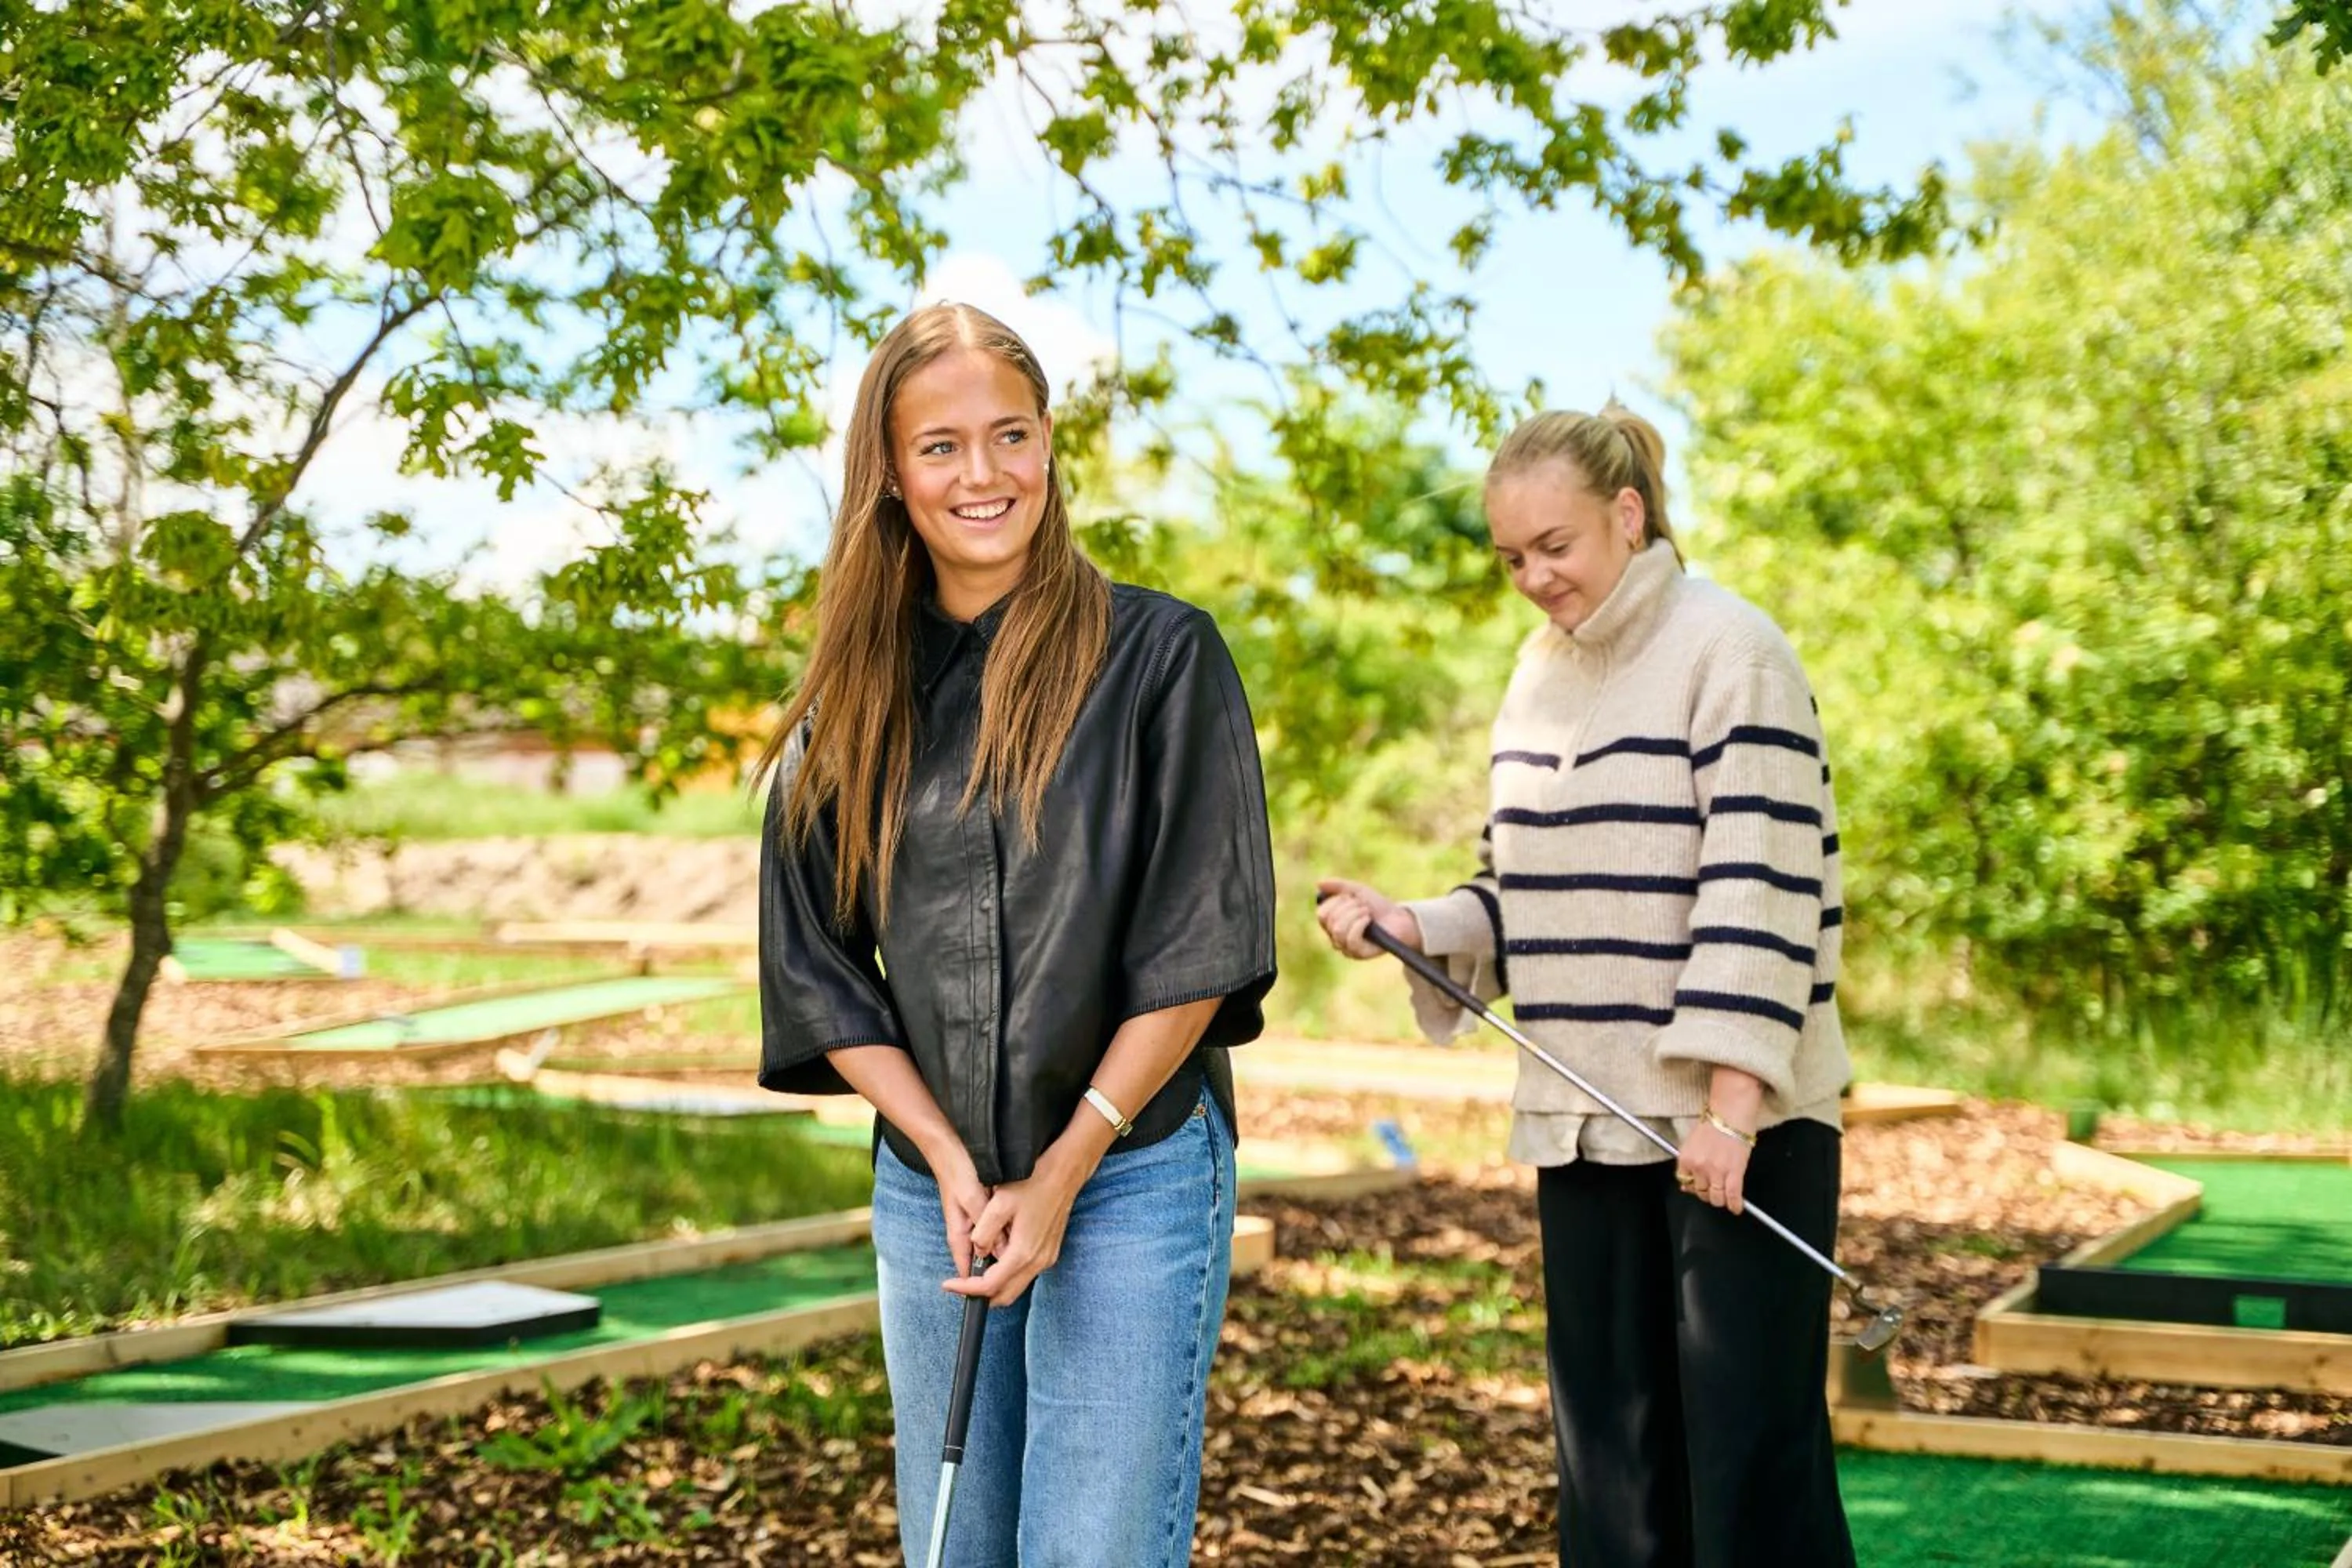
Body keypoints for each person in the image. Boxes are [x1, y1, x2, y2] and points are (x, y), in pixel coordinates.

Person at [757, 302, 1277, 1567]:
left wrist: (1060, 1174)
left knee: (1088, 1549)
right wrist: (942, 1157)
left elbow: (1197, 943)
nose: (981, 475)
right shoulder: (851, 697)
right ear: (888, 470)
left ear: (1050, 445)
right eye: (940, 447)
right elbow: (819, 973)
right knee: (958, 1545)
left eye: (1010, 435)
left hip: (1135, 1164)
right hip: (931, 1184)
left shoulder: (1162, 655)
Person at [1316, 403, 1857, 1567]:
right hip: (1587, 1127)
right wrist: (1414, 925)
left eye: (1553, 547)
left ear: (1626, 514)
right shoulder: (1537, 679)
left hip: (1734, 1131)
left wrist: (1728, 1108)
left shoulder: (1733, 650)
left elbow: (1760, 889)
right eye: (1511, 557)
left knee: (1748, 1479)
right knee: (1608, 1476)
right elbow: (1522, 894)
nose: (1533, 578)